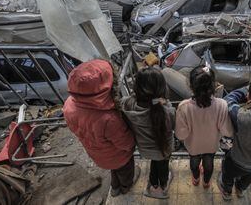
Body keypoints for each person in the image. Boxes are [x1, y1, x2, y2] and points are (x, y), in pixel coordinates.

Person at [63, 59, 138, 197]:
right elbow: (125, 142)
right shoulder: (108, 118)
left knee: (113, 169)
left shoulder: (68, 105)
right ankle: (125, 187)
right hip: (119, 157)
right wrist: (133, 144)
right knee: (124, 171)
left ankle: (115, 187)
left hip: (97, 155)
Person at [121, 67, 175, 199]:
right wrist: (163, 102)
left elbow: (127, 100)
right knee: (163, 167)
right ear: (162, 88)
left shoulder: (128, 105)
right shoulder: (167, 111)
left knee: (155, 163)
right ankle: (162, 185)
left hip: (144, 150)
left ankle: (154, 184)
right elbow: (172, 125)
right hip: (164, 149)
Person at [175, 65, 233, 188]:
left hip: (194, 145)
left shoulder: (183, 107)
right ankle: (206, 182)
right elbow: (227, 131)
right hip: (211, 145)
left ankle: (196, 179)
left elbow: (181, 134)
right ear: (214, 85)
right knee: (208, 163)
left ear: (191, 86)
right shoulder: (222, 105)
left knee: (194, 162)